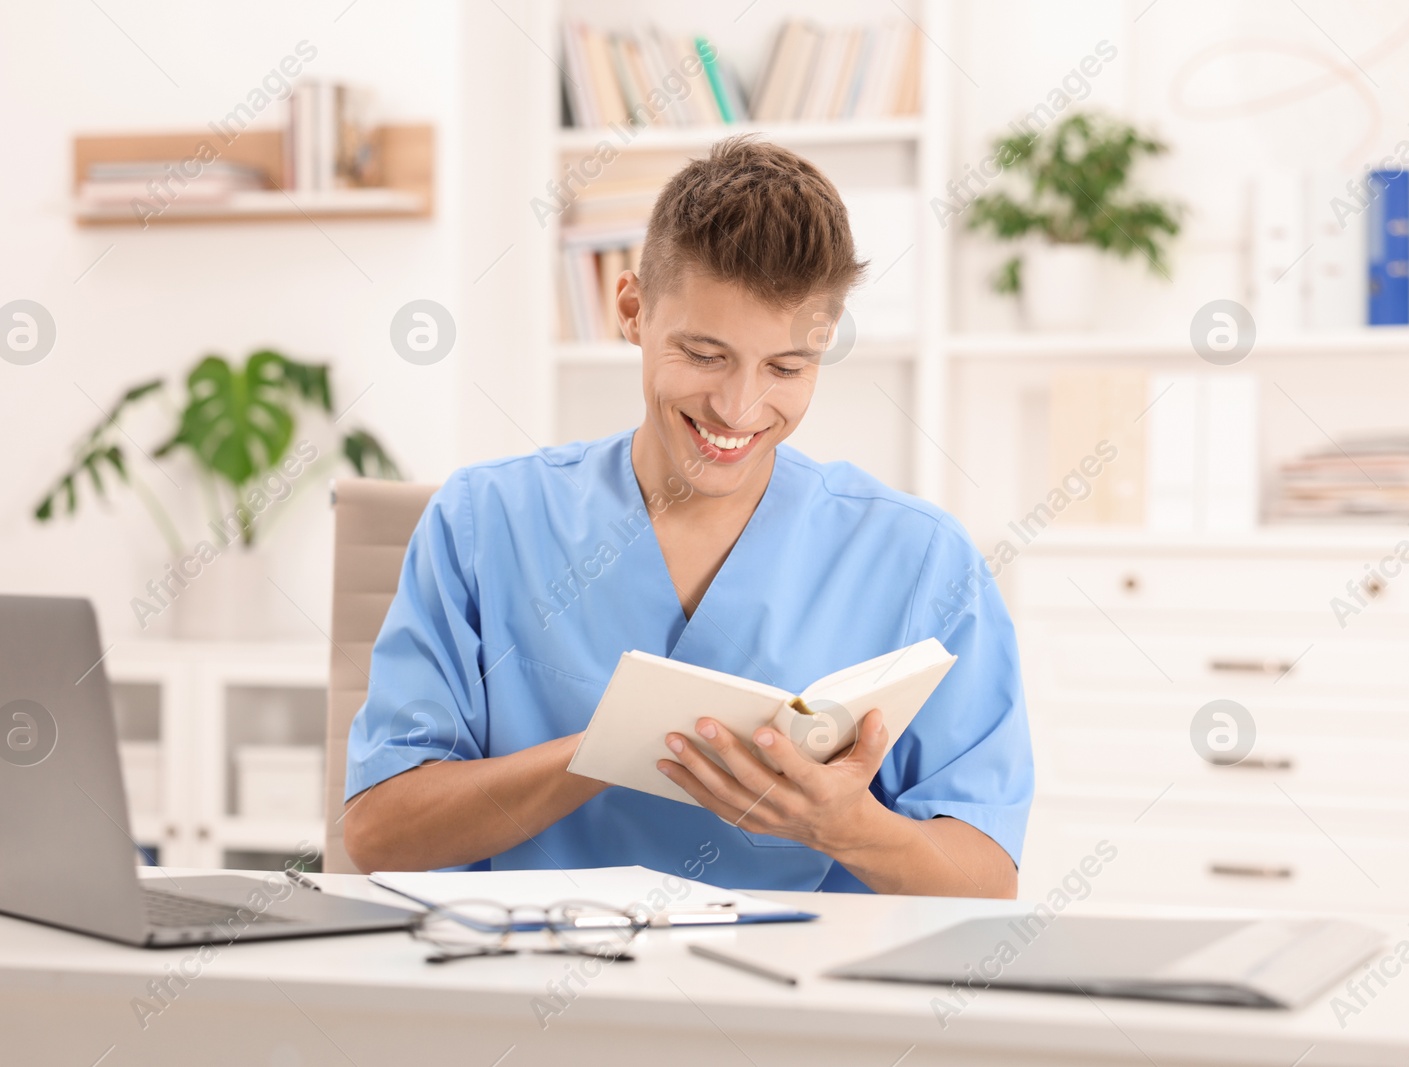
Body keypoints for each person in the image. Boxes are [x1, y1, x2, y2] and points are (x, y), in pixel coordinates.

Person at [343, 138, 1031, 895]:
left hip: (803, 996)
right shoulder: (485, 522)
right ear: (632, 310)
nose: (739, 408)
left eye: (786, 367)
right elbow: (380, 833)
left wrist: (845, 824)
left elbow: (987, 881)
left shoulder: (920, 559)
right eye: (704, 354)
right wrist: (615, 745)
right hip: (533, 983)